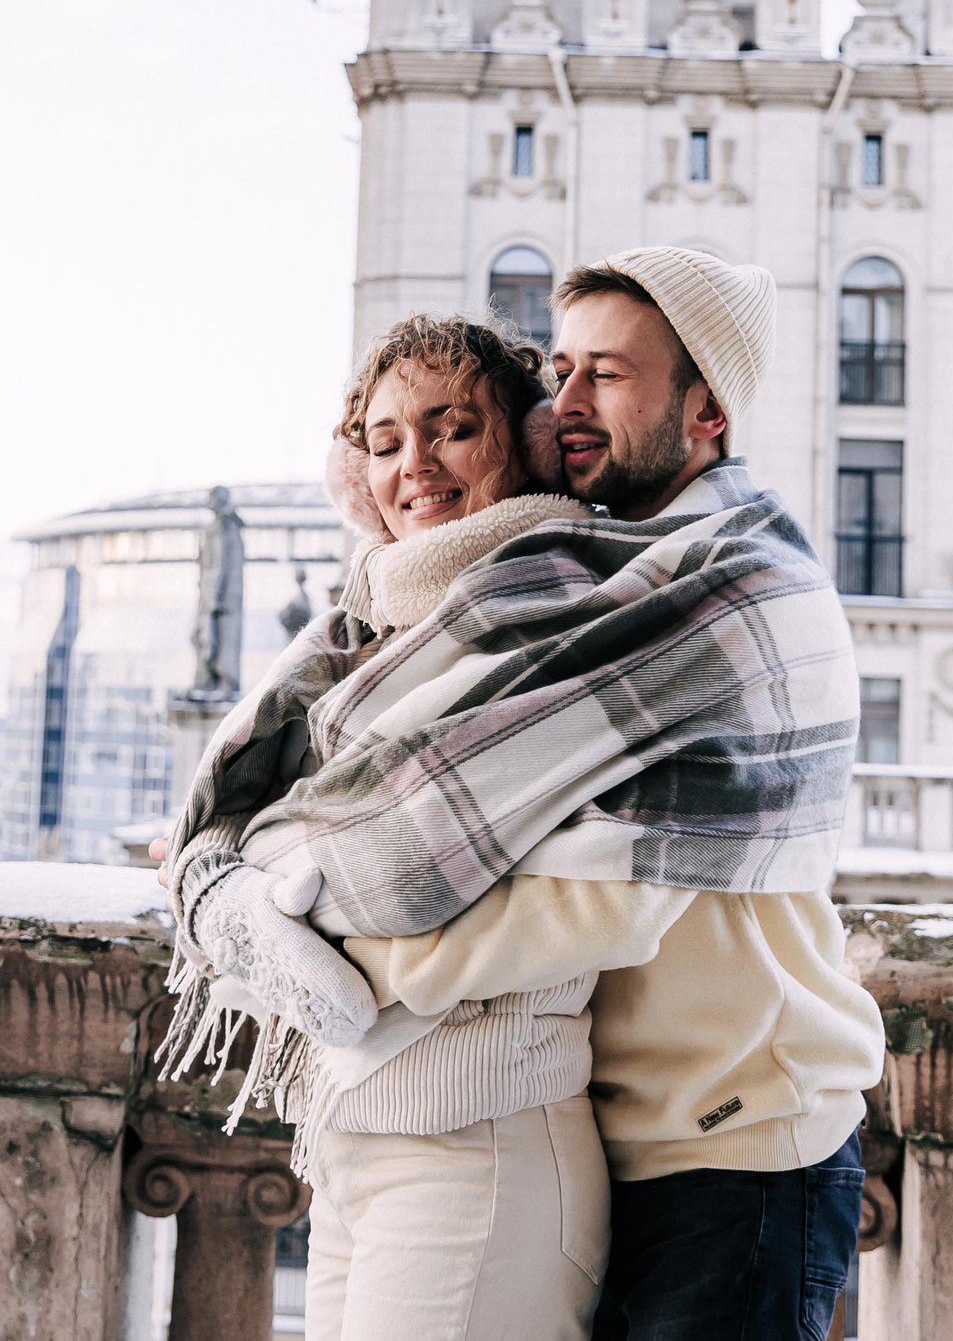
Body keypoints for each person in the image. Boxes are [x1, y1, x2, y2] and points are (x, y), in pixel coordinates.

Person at [157, 246, 884, 1341]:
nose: (567, 403)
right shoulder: (582, 582)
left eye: (609, 375)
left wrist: (330, 960)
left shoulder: (729, 587)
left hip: (738, 1146)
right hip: (615, 1129)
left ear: (706, 411)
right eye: (561, 370)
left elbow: (609, 897)